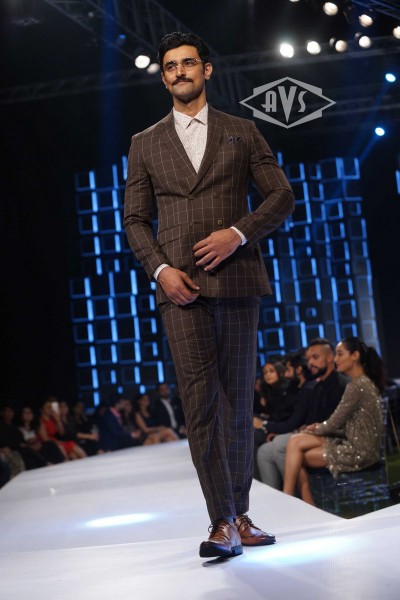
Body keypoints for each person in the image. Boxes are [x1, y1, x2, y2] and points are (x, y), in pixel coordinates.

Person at [123, 30, 294, 559]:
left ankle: (240, 514)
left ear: (206, 69)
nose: (179, 72)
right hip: (181, 291)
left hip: (238, 278)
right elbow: (135, 220)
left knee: (238, 404)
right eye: (170, 66)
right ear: (163, 78)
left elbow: (282, 195)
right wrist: (160, 271)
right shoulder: (145, 142)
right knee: (201, 407)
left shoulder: (241, 130)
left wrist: (238, 233)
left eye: (187, 63)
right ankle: (221, 520)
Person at [283, 337, 386, 504]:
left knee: (296, 452)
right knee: (295, 442)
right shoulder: (363, 382)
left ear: (355, 356)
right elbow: (350, 425)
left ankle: (292, 500)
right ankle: (295, 500)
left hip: (359, 452)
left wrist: (313, 429)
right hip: (354, 443)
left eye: (340, 354)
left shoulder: (357, 386)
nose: (336, 359)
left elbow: (334, 422)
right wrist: (318, 428)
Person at [257, 338, 348, 490]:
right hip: (315, 433)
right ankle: (277, 497)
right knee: (264, 451)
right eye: (308, 359)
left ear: (329, 358)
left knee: (283, 445)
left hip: (333, 437)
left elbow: (336, 423)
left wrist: (306, 429)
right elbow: (310, 419)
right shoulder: (318, 386)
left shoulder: (340, 384)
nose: (310, 363)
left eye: (315, 357)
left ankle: (296, 496)